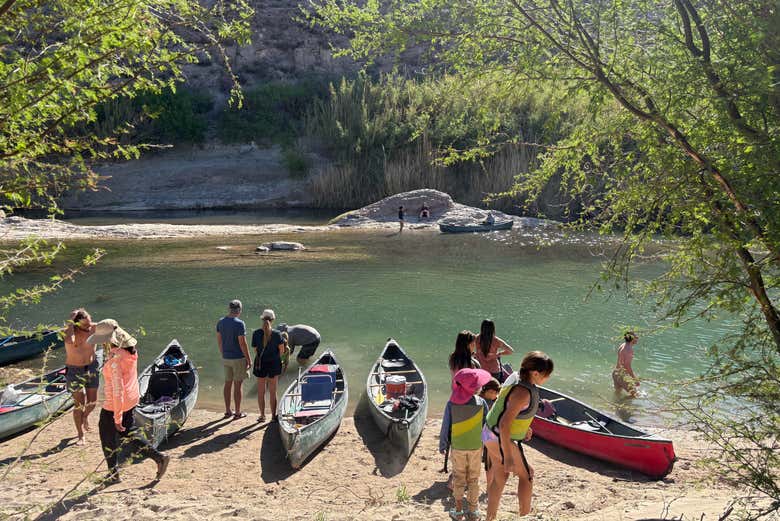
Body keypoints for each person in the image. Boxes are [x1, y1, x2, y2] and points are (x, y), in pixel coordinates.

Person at [90, 319, 170, 484]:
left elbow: (117, 389)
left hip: (115, 404)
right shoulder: (130, 352)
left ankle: (114, 474)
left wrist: (117, 417)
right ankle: (159, 458)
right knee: (130, 433)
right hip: (131, 398)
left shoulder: (115, 360)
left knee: (107, 437)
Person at [483, 351, 554, 521]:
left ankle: (490, 518)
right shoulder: (523, 393)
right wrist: (508, 456)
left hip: (488, 433)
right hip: (499, 436)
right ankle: (525, 517)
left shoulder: (516, 377)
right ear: (535, 373)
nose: (548, 378)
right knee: (527, 475)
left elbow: (506, 409)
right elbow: (504, 424)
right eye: (546, 375)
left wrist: (524, 430)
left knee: (500, 477)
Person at [439, 369, 492, 521]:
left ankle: (458, 510)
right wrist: (488, 445)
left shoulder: (451, 403)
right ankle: (474, 511)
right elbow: (486, 425)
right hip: (476, 446)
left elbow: (446, 426)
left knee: (459, 477)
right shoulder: (481, 402)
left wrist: (443, 444)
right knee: (474, 478)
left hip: (458, 447)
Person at [64, 308, 100, 445]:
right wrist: (70, 322)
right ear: (76, 324)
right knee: (79, 404)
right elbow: (69, 340)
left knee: (92, 402)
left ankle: (84, 417)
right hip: (74, 370)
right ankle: (80, 434)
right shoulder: (70, 332)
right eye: (85, 325)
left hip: (91, 367)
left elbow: (113, 328)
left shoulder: (94, 328)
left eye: (89, 323)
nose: (89, 327)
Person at [216, 299, 251, 419]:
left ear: (229, 309)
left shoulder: (221, 322)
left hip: (226, 357)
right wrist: (249, 359)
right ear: (239, 310)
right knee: (238, 385)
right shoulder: (240, 323)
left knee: (227, 384)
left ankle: (227, 411)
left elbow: (219, 340)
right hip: (238, 358)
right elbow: (242, 343)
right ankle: (237, 412)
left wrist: (223, 353)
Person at [252, 309, 285, 423]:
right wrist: (275, 358)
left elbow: (255, 350)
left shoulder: (256, 333)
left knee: (261, 392)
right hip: (274, 365)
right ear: (273, 320)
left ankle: (262, 416)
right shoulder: (277, 334)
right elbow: (282, 351)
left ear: (262, 319)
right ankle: (273, 416)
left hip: (260, 365)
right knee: (273, 392)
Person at [479, 378, 501, 490]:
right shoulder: (479, 401)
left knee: (490, 462)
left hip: (491, 436)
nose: (493, 395)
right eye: (491, 392)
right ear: (484, 390)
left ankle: (489, 486)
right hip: (479, 435)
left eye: (495, 392)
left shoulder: (497, 402)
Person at [612, 332, 639, 397]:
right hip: (622, 376)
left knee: (617, 394)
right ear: (632, 338)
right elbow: (627, 366)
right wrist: (634, 379)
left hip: (616, 373)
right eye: (636, 337)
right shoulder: (629, 350)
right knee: (635, 395)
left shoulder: (623, 345)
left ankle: (615, 403)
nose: (637, 338)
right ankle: (621, 402)